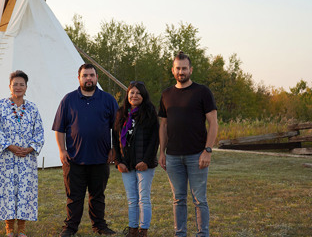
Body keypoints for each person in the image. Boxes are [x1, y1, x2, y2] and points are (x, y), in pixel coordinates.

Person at [52, 63, 119, 237]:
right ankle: (70, 228)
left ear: (97, 77)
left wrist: (114, 148)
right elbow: (59, 128)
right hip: (74, 158)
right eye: (85, 75)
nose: (88, 78)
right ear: (79, 78)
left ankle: (100, 226)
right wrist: (62, 150)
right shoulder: (68, 100)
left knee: (97, 196)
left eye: (91, 75)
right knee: (74, 197)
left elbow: (118, 128)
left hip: (100, 158)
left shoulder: (108, 100)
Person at [158, 51, 218, 237]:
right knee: (178, 199)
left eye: (184, 68)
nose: (181, 71)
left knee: (199, 199)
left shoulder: (202, 92)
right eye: (178, 68)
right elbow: (164, 125)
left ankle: (202, 234)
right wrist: (162, 152)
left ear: (190, 69)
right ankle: (180, 233)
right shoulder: (166, 94)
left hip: (196, 155)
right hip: (173, 156)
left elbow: (213, 123)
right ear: (173, 70)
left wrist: (207, 150)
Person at [0, 70, 45, 237]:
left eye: (22, 84)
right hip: (6, 157)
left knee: (24, 191)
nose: (18, 87)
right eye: (15, 84)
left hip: (26, 159)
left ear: (26, 87)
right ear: (10, 86)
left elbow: (39, 132)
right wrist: (9, 146)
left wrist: (29, 148)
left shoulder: (33, 108)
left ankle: (21, 229)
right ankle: (9, 229)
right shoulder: (0, 106)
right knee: (7, 191)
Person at [113, 81, 159, 237]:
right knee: (132, 199)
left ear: (143, 95)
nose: (135, 96)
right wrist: (118, 161)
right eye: (132, 92)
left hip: (143, 163)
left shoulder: (150, 113)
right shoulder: (121, 113)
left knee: (143, 197)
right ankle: (132, 230)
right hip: (126, 163)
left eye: (138, 93)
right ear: (127, 95)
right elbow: (115, 138)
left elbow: (154, 139)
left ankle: (143, 230)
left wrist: (146, 160)